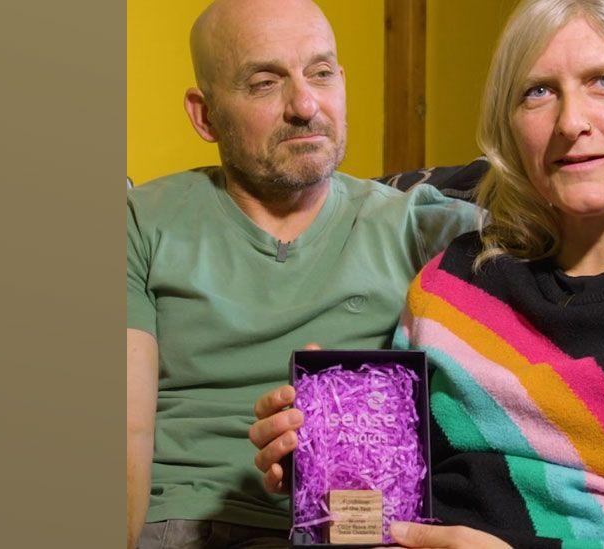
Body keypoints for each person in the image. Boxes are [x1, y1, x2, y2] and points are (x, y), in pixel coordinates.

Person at [251, 0, 604, 547]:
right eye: (539, 92)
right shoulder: (453, 283)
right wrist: (324, 460)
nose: (571, 122)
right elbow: (391, 492)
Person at [126, 0, 478, 547]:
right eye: (265, 83)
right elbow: (124, 432)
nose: (305, 104)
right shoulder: (139, 222)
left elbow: (565, 245)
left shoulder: (420, 226)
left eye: (320, 73)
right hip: (184, 523)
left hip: (356, 531)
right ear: (206, 116)